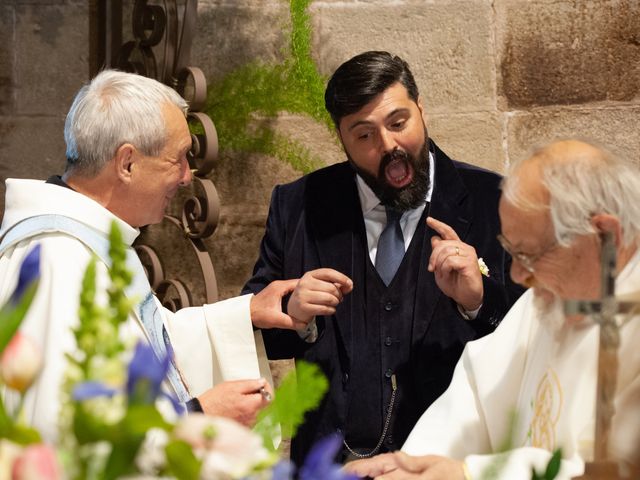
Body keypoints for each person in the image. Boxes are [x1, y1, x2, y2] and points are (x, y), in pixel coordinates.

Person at [242, 51, 523, 464]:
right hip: (332, 466)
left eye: (398, 123)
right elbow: (256, 321)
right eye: (364, 135)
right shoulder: (297, 205)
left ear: (421, 111)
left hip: (452, 464)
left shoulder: (495, 200)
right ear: (342, 139)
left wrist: (478, 300)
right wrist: (295, 314)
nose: (388, 145)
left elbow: (531, 334)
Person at [0, 70, 302, 442]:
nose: (188, 176)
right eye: (178, 158)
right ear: (127, 163)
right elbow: (61, 429)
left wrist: (246, 314)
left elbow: (151, 338)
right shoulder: (57, 261)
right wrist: (196, 415)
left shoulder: (90, 244)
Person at [345, 140, 640, 479]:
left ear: (605, 236)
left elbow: (619, 470)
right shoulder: (549, 300)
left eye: (529, 255)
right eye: (511, 252)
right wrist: (414, 464)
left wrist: (470, 474)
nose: (518, 275)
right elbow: (476, 394)